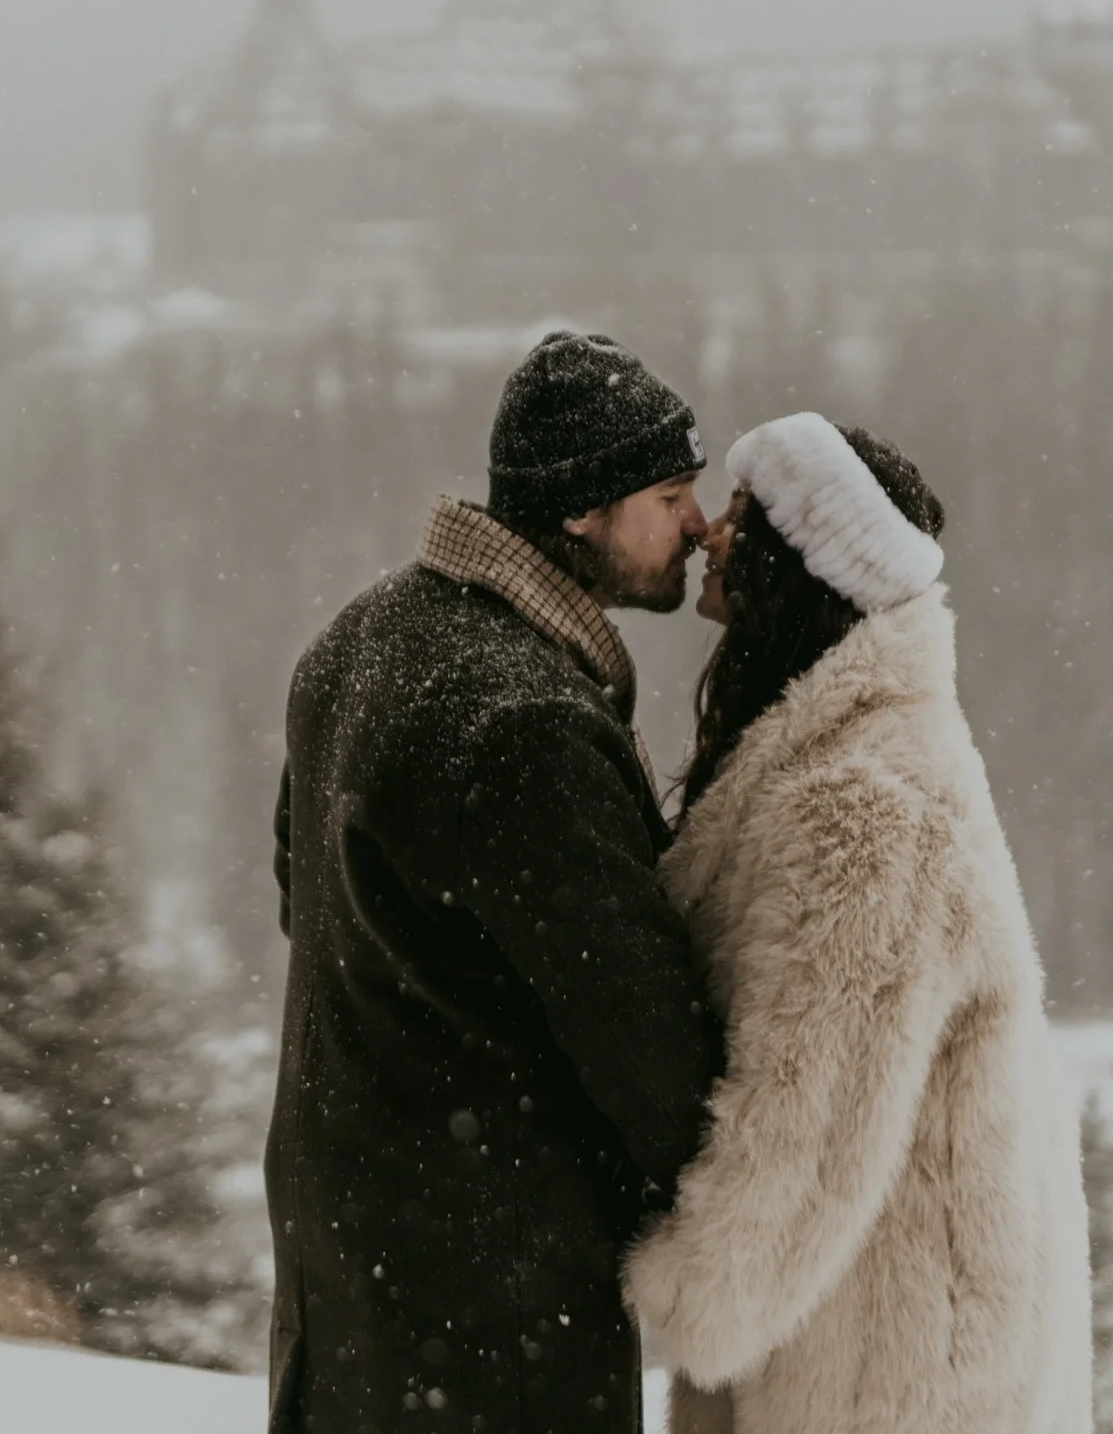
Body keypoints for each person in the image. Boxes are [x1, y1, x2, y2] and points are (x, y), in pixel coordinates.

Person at [265, 331, 724, 1434]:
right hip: (494, 1311)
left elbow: (303, 892)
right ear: (582, 511)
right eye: (670, 497)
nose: (700, 525)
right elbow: (643, 1039)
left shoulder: (357, 640)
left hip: (348, 1268)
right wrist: (750, 1214)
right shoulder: (529, 725)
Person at [625, 413, 1093, 1434]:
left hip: (887, 1362)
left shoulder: (862, 805)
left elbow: (809, 1113)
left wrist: (690, 1285)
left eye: (742, 516)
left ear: (801, 562)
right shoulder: (853, 749)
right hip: (902, 1320)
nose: (711, 534)